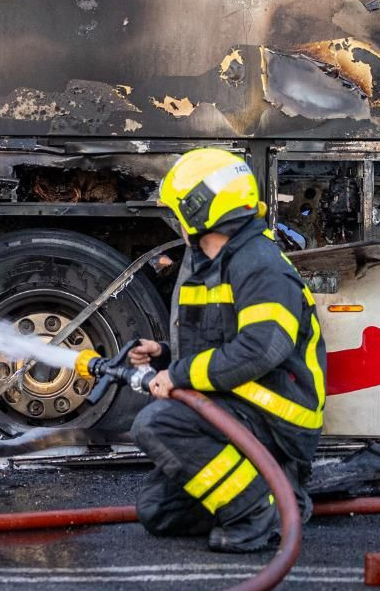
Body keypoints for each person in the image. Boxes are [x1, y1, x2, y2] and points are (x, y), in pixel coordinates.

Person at [128, 147, 326, 552]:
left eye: (179, 208)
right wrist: (164, 355)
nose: (176, 220)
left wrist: (178, 377)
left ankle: (256, 511)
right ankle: (279, 493)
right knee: (159, 512)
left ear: (201, 210)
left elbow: (261, 349)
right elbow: (222, 339)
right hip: (243, 405)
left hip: (274, 416)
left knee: (157, 424)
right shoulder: (215, 261)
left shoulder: (261, 265)